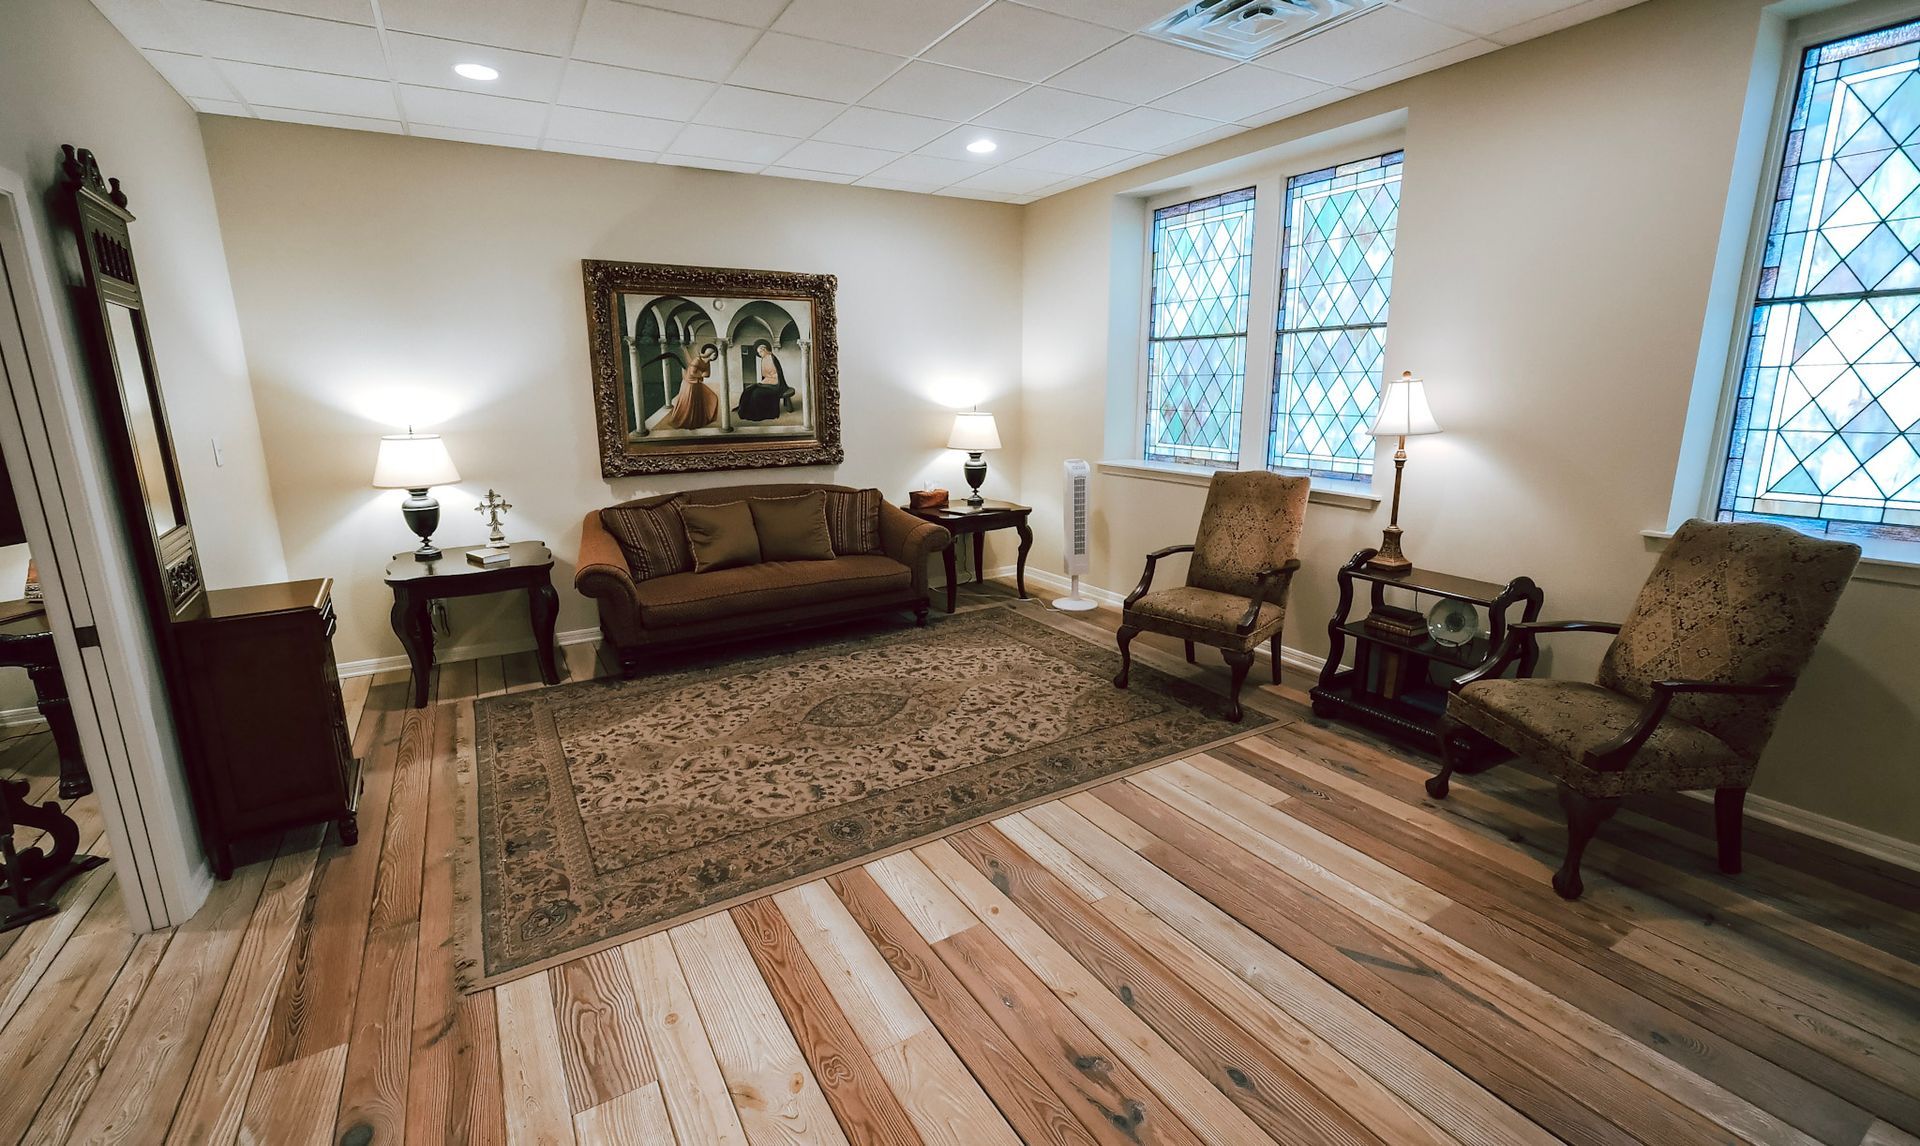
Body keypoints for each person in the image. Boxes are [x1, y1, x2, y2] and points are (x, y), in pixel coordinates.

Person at [659, 343, 719, 429]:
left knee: (708, 399)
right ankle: (686, 421)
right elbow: (692, 373)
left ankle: (696, 422)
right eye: (714, 354)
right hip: (689, 384)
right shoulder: (697, 360)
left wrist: (702, 374)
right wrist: (701, 374)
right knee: (689, 403)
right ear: (709, 353)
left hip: (697, 384)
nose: (715, 356)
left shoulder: (707, 362)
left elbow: (707, 374)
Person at [735, 340, 795, 422]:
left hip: (776, 385)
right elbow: (765, 375)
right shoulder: (764, 359)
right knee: (749, 390)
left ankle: (759, 413)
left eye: (760, 352)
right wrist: (766, 380)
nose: (760, 354)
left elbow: (777, 375)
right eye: (759, 353)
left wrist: (769, 378)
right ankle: (744, 410)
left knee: (756, 393)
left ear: (764, 349)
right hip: (768, 382)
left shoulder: (771, 358)